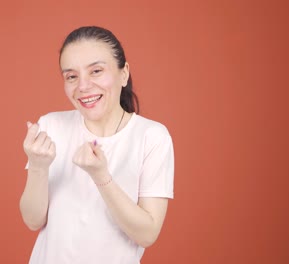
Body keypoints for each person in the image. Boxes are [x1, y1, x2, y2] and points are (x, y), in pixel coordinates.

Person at [19, 26, 174, 264]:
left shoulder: (152, 136)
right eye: (72, 76)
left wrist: (101, 176)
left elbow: (147, 234)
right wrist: (39, 167)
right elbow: (33, 220)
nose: (83, 86)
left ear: (124, 74)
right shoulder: (51, 126)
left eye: (96, 71)